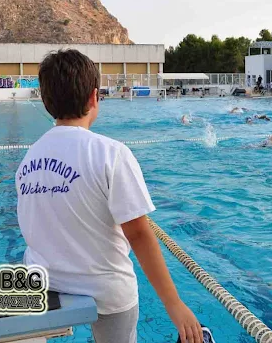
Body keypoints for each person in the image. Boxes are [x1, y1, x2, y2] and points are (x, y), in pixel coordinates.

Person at [16, 50, 201, 343]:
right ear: (93, 98)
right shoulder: (110, 154)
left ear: (45, 101)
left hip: (44, 283)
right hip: (106, 290)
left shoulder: (29, 159)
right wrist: (174, 305)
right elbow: (139, 234)